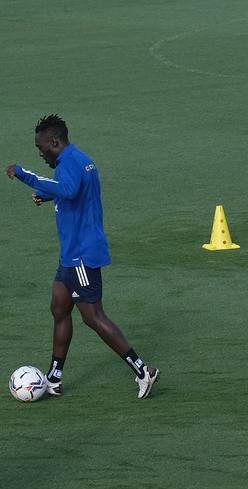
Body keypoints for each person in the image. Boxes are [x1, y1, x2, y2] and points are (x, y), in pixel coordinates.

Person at [6, 114, 159, 399]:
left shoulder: (71, 163)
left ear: (55, 142)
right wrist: (48, 195)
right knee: (60, 309)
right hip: (71, 254)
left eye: (42, 149)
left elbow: (68, 188)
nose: (41, 154)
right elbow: (74, 191)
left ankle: (142, 370)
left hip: (81, 254)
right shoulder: (76, 159)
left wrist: (25, 175)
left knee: (93, 316)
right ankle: (53, 378)